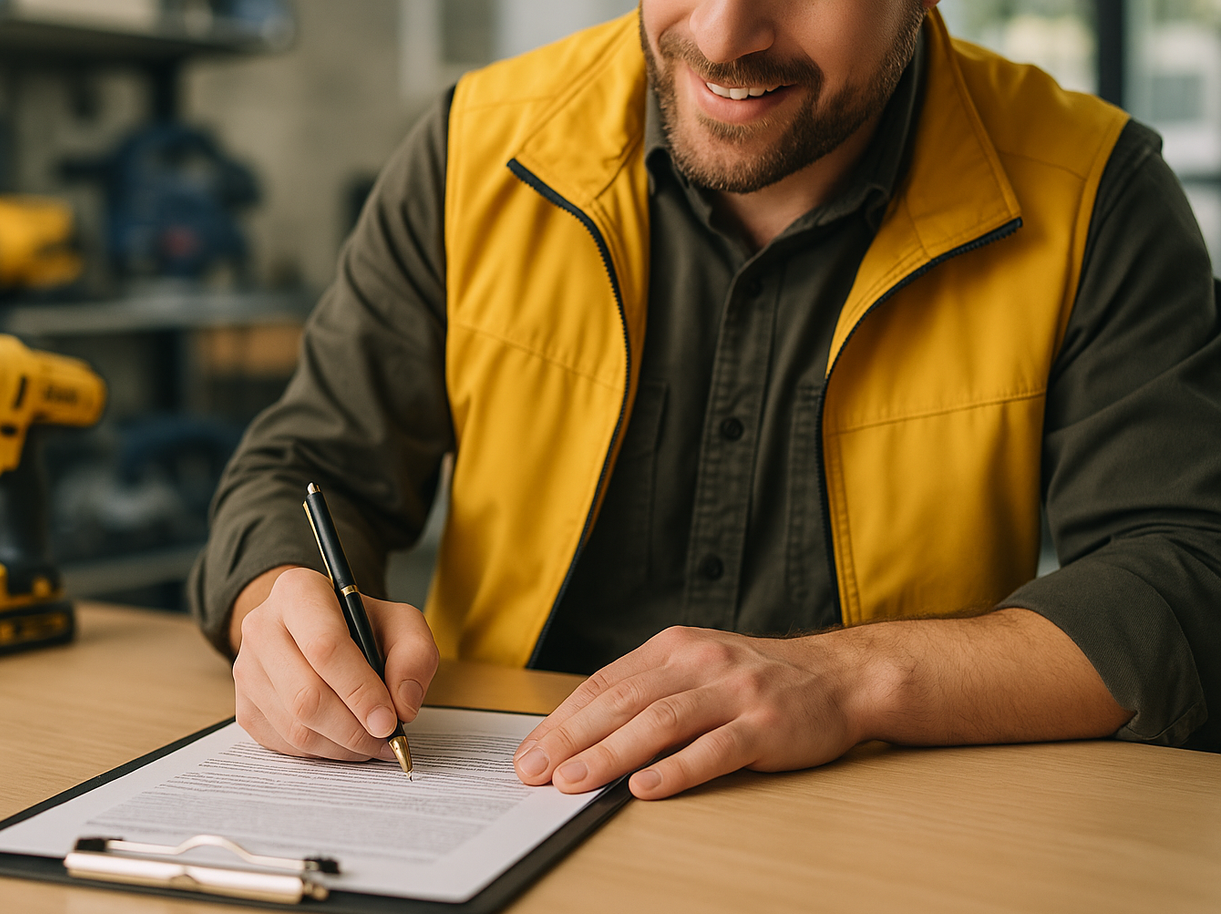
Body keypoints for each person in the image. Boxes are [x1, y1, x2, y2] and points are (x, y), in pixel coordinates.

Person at [190, 1, 1221, 800]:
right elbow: (300, 470)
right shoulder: (473, 147)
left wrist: (851, 679)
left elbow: (1184, 578)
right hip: (484, 804)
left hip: (880, 841)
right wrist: (279, 602)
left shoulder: (1095, 189)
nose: (723, 35)